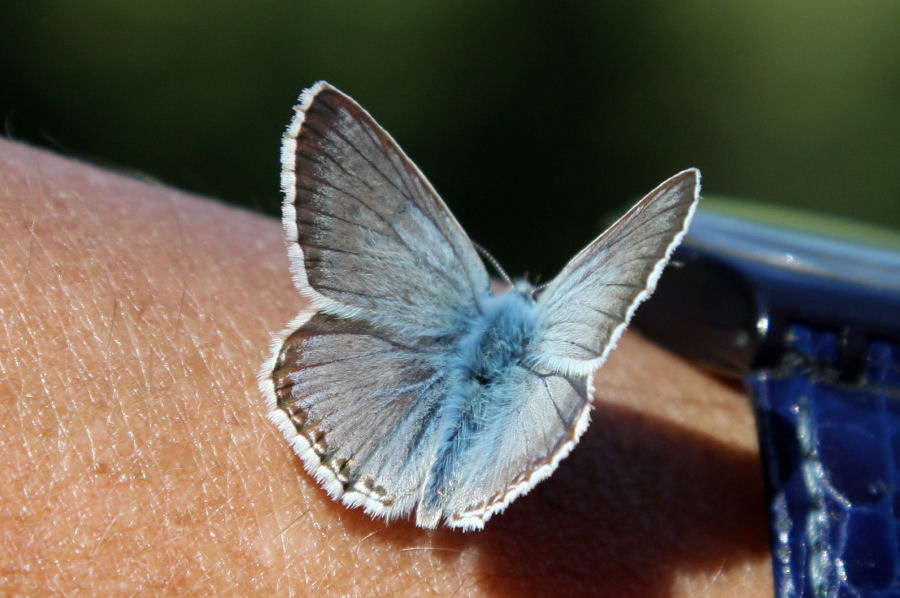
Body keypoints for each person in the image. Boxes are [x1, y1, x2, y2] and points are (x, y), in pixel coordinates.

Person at [0, 138, 772, 596]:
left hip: (414, 374)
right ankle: (459, 485)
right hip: (526, 401)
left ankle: (402, 473)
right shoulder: (559, 316)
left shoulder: (471, 283)